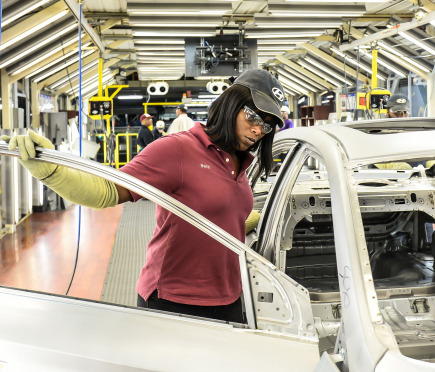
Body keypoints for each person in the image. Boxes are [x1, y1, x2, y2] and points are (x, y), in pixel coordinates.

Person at [2, 69, 286, 323]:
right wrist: (51, 170)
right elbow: (107, 190)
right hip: (175, 301)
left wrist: (247, 222)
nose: (258, 129)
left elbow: (217, 211)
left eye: (268, 124)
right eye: (252, 116)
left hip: (230, 299)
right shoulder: (177, 150)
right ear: (230, 104)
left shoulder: (242, 160)